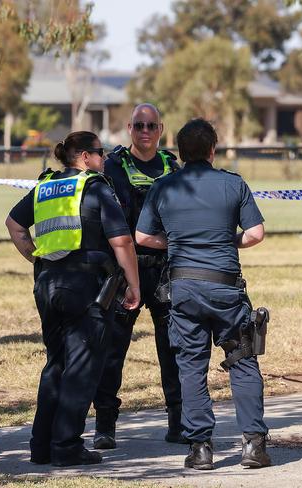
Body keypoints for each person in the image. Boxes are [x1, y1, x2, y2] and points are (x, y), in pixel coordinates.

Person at [136, 118, 271, 470]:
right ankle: (253, 445)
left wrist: (176, 242)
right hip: (226, 287)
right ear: (213, 150)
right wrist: (230, 241)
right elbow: (256, 233)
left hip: (184, 289)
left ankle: (200, 449)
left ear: (180, 153)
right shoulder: (232, 184)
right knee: (242, 360)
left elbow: (142, 237)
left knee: (191, 367)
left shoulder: (163, 187)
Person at [5, 131, 140, 466]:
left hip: (49, 284)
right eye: (100, 152)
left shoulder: (45, 186)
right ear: (83, 157)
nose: (105, 158)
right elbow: (121, 241)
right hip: (86, 286)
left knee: (57, 363)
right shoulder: (95, 186)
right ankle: (66, 446)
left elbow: (14, 224)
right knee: (81, 367)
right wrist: (134, 285)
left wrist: (36, 258)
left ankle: (42, 446)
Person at [93, 103, 184, 448]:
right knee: (112, 350)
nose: (145, 131)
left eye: (151, 126)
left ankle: (178, 421)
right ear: (129, 128)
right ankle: (105, 426)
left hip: (164, 270)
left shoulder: (172, 167)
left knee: (173, 349)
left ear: (161, 129)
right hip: (122, 271)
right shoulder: (113, 166)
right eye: (139, 125)